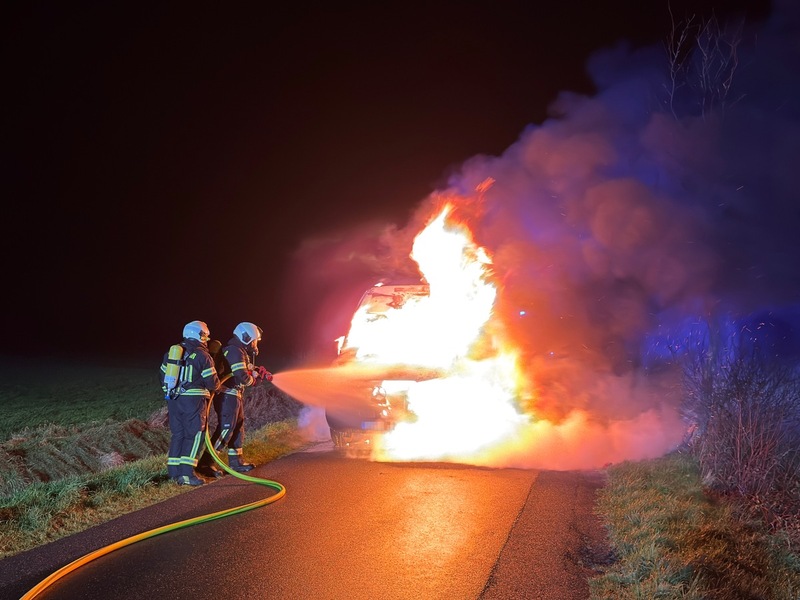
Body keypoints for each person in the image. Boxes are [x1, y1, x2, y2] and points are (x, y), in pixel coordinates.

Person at [197, 321, 271, 476]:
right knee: (226, 428)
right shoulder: (234, 350)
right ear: (246, 337)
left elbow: (245, 369)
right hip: (227, 395)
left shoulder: (239, 351)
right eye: (254, 340)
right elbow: (241, 375)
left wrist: (257, 370)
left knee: (237, 427)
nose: (255, 344)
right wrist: (253, 380)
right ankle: (206, 463)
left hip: (234, 395)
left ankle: (236, 462)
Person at [159, 320, 220, 486]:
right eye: (204, 336)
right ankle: (187, 475)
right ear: (198, 335)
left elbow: (162, 377)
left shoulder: (172, 353)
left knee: (178, 435)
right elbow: (213, 384)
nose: (206, 340)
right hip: (193, 402)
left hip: (174, 401)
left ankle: (173, 473)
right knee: (194, 435)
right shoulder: (203, 356)